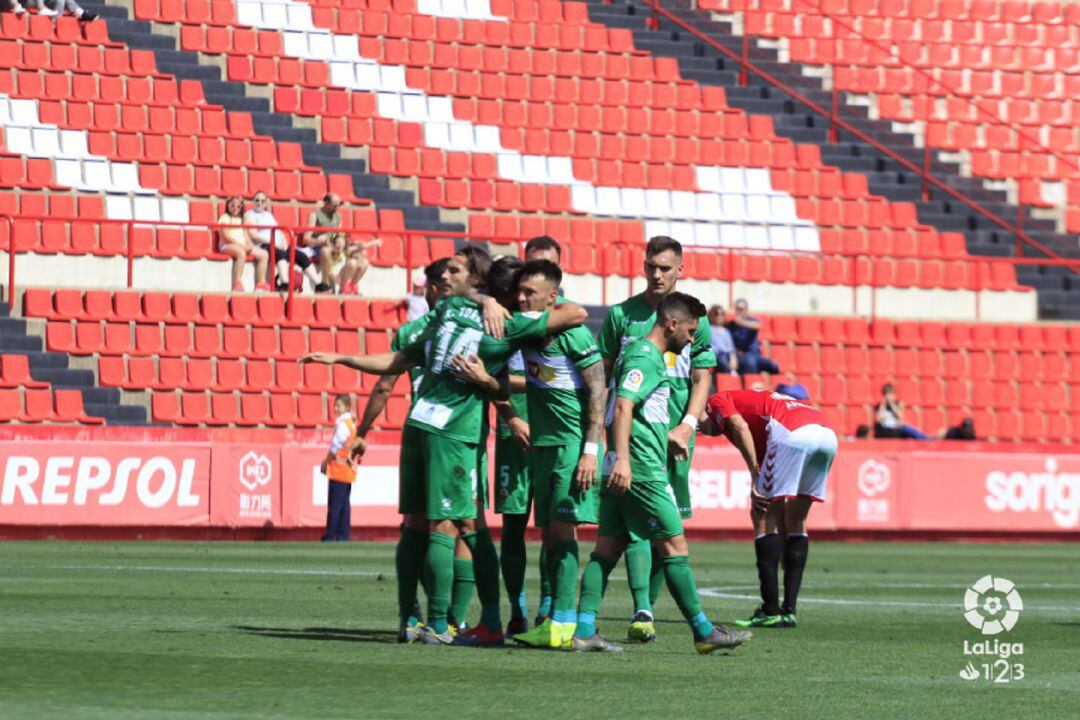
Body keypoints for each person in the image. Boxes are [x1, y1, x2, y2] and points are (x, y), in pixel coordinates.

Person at [301, 244, 589, 647]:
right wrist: (496, 303)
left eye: (454, 270)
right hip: (454, 431)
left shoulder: (446, 312)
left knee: (418, 525)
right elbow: (576, 314)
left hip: (418, 423)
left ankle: (412, 619)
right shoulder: (505, 324)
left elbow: (399, 361)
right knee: (458, 525)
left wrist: (341, 358)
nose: (443, 278)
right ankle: (442, 622)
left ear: (476, 278)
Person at [571, 292, 751, 653]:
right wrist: (624, 458)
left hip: (626, 464)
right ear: (672, 323)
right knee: (674, 546)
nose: (691, 338)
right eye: (689, 330)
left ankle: (584, 628)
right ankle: (702, 631)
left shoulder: (641, 354)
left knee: (606, 551)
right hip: (640, 470)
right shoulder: (647, 356)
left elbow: (632, 408)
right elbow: (622, 406)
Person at [596, 236, 716, 644]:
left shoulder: (693, 320)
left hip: (676, 436)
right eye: (651, 266)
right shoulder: (622, 316)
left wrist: (688, 424)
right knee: (651, 532)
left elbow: (702, 378)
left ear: (680, 269)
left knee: (664, 525)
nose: (657, 274)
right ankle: (643, 609)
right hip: (637, 438)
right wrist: (604, 438)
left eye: (665, 267)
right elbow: (605, 380)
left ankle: (605, 615)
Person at [510, 259, 606, 650]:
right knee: (549, 535)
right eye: (518, 291)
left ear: (553, 297)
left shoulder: (576, 335)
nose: (521, 298)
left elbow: (598, 390)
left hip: (570, 446)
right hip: (542, 447)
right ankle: (554, 619)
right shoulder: (526, 330)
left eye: (529, 293)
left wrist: (590, 450)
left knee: (563, 532)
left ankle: (564, 623)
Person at [702, 388, 839, 629]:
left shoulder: (717, 399)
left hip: (792, 433)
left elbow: (738, 426)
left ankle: (769, 610)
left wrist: (754, 474)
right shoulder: (766, 410)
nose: (703, 430)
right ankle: (789, 611)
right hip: (826, 435)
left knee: (762, 513)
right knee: (796, 519)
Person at [494, 237, 568, 632]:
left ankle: (550, 607)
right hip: (513, 432)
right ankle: (517, 610)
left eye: (547, 265)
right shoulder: (506, 313)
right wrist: (509, 415)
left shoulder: (565, 315)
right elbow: (492, 375)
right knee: (513, 523)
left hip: (552, 434)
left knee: (554, 525)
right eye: (532, 264)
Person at [320, 395, 365, 542]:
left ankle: (330, 535)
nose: (335, 408)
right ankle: (343, 535)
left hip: (339, 468)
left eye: (338, 405)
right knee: (344, 504)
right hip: (347, 468)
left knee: (335, 504)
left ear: (345, 407)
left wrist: (326, 460)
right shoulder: (351, 422)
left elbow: (337, 443)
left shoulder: (343, 422)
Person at [217, 196, 270, 291]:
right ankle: (237, 283)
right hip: (227, 245)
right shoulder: (225, 217)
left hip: (242, 245)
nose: (235, 208)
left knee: (264, 254)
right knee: (241, 253)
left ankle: (261, 283)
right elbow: (225, 236)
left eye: (238, 206)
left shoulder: (242, 219)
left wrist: (249, 244)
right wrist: (240, 244)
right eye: (232, 206)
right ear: (228, 206)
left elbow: (246, 235)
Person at [300, 194, 344, 293]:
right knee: (325, 250)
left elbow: (340, 234)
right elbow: (306, 239)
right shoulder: (315, 215)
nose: (337, 208)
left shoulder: (338, 217)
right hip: (319, 247)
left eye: (339, 205)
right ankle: (325, 284)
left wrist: (341, 239)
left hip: (334, 247)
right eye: (335, 205)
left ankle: (347, 286)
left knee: (360, 255)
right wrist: (320, 242)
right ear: (326, 203)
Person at [726, 299, 780, 375]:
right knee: (751, 363)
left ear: (746, 310)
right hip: (743, 356)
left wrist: (743, 323)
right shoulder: (731, 326)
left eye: (741, 309)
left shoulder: (751, 321)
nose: (739, 311)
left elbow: (757, 325)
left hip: (756, 355)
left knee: (773, 366)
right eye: (737, 309)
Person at [707, 305, 738, 375]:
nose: (719, 316)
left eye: (722, 314)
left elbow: (731, 349)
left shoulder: (726, 332)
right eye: (716, 314)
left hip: (726, 356)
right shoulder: (709, 329)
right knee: (723, 359)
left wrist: (733, 359)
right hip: (716, 355)